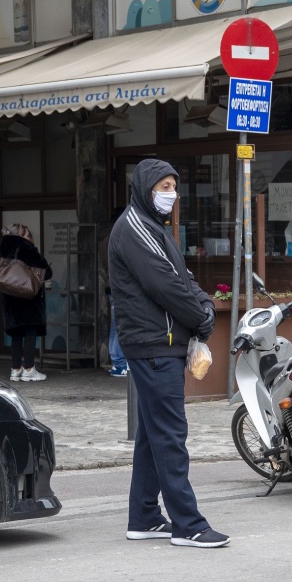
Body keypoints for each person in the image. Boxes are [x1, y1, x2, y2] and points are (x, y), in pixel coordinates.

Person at [108, 158, 226, 547]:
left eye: (174, 186)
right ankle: (188, 525)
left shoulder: (152, 228)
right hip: (155, 346)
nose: (170, 194)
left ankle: (143, 517)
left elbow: (183, 276)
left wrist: (204, 303)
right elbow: (166, 287)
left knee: (152, 434)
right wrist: (202, 318)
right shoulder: (134, 229)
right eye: (163, 187)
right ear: (145, 189)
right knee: (171, 435)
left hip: (160, 344)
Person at [0, 224, 53, 382]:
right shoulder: (26, 248)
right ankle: (29, 369)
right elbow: (46, 271)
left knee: (16, 334)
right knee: (30, 332)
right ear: (23, 236)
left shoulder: (5, 249)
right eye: (29, 235)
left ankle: (15, 369)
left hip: (10, 296)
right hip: (27, 297)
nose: (31, 237)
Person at [104, 207, 129, 378]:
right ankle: (119, 363)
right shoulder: (118, 236)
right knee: (119, 325)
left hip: (109, 285)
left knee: (114, 326)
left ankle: (116, 362)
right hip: (119, 286)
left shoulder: (104, 237)